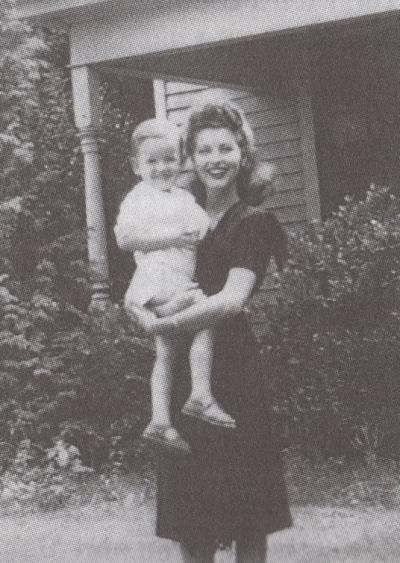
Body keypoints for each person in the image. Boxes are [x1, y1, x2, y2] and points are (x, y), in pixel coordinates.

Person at [135, 102, 293, 562]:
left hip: (234, 376)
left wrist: (161, 324)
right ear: (190, 157)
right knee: (190, 511)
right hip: (183, 376)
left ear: (243, 154)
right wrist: (143, 310)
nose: (215, 159)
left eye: (226, 148)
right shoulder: (176, 215)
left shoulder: (254, 222)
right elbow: (147, 273)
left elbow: (230, 301)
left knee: (248, 514)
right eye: (204, 150)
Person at [114, 118, 236, 456]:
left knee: (166, 352)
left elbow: (204, 230)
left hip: (173, 279)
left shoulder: (182, 198)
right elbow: (124, 239)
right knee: (207, 312)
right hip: (158, 276)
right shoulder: (139, 197)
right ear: (136, 167)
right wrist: (172, 237)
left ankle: (161, 420)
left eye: (169, 159)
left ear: (181, 162)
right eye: (152, 161)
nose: (161, 167)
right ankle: (199, 393)